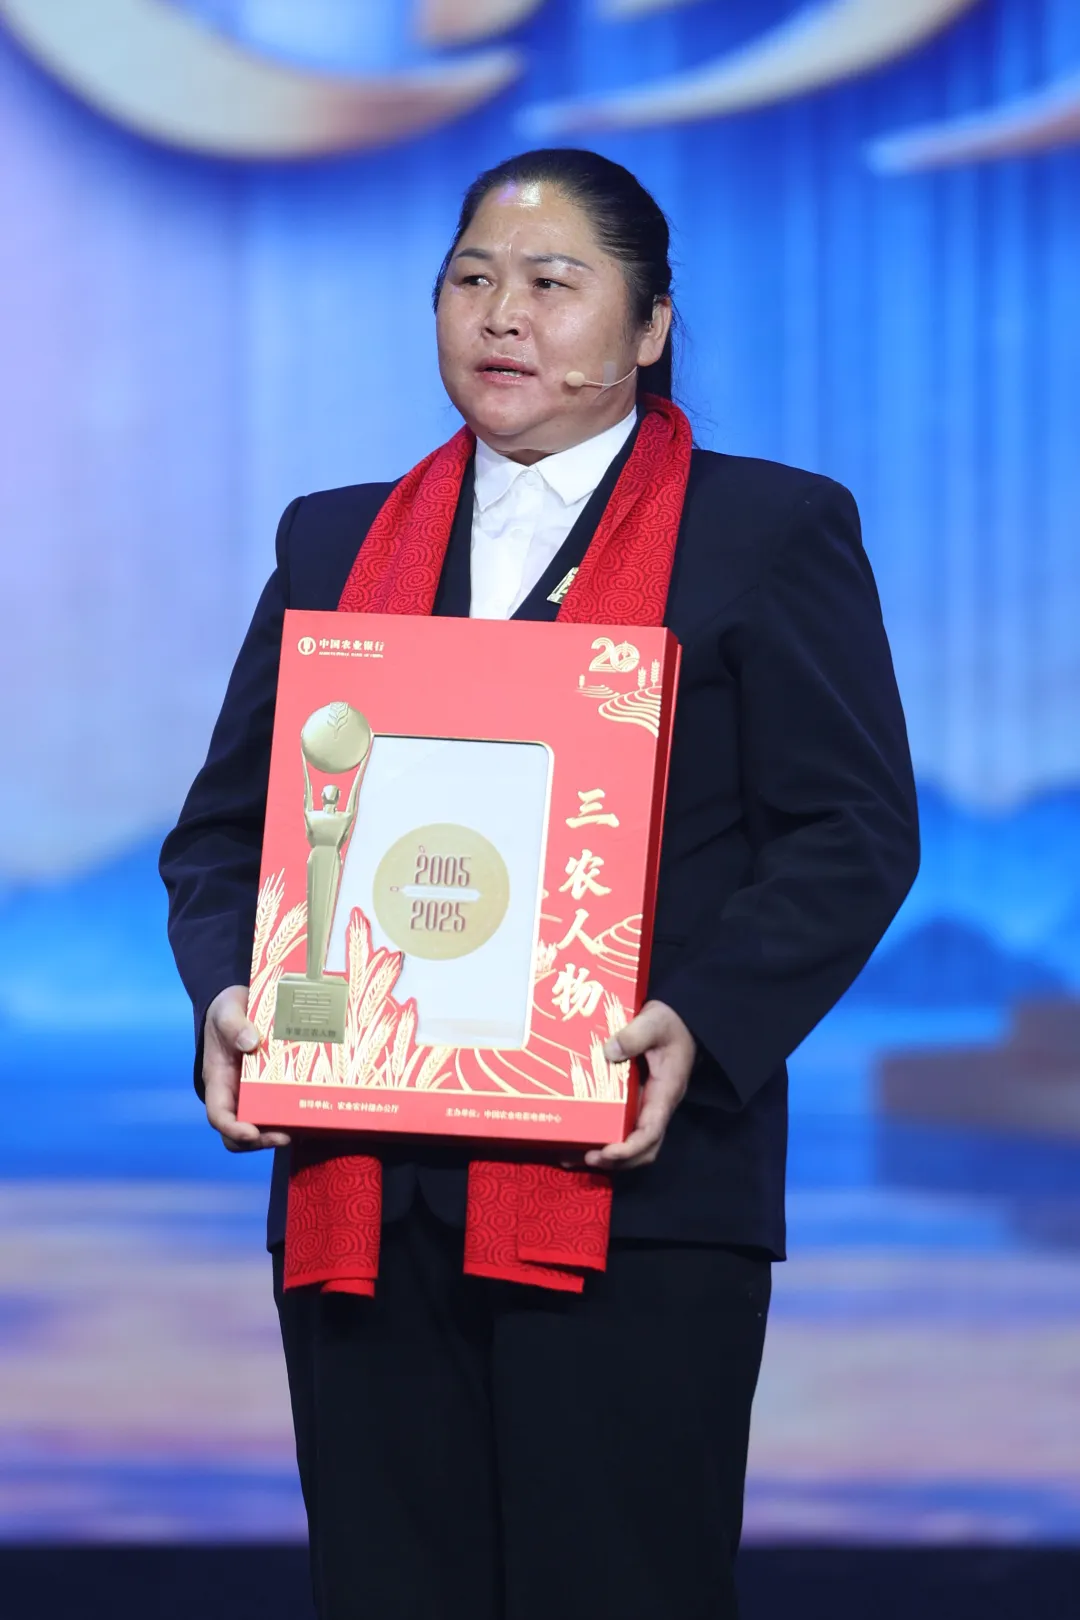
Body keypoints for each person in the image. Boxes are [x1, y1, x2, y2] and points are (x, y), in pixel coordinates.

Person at [160, 148, 919, 1620]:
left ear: (650, 326)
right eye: (470, 279)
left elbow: (852, 829)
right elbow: (226, 834)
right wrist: (230, 994)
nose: (500, 313)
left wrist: (704, 1021)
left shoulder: (767, 531)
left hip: (635, 1185)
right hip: (364, 1197)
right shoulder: (334, 538)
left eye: (551, 283)